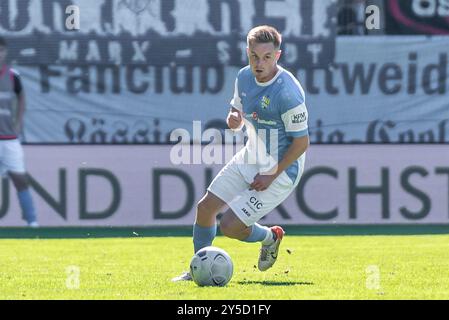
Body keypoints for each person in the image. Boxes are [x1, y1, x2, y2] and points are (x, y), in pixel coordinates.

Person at [172, 25, 309, 281]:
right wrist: (234, 119)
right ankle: (198, 268)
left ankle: (271, 237)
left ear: (277, 56)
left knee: (230, 227)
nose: (260, 63)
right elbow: (236, 111)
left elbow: (301, 143)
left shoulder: (288, 93)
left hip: (282, 169)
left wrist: (270, 175)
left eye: (267, 57)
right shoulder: (244, 77)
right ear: (248, 53)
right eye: (254, 56)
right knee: (205, 208)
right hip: (250, 155)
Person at [0, 36, 38, 227]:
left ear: (5, 52)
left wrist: (18, 122)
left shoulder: (13, 75)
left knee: (20, 179)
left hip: (8, 138)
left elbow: (22, 97)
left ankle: (31, 221)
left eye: (1, 51)